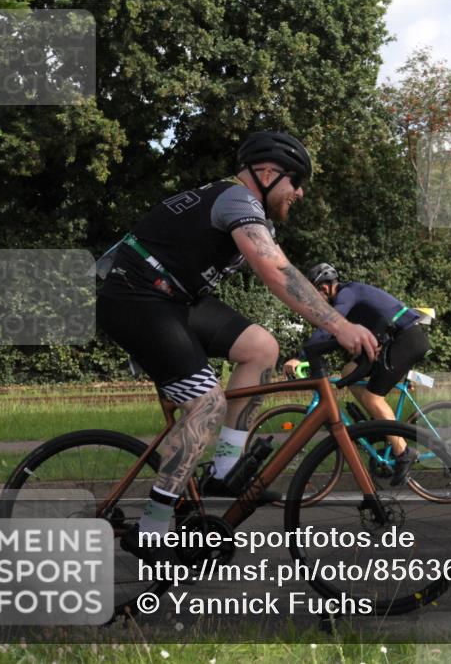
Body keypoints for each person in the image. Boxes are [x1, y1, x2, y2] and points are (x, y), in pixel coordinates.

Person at [95, 132, 378, 561]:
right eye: (295, 181)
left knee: (261, 348)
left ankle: (225, 469)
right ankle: (152, 528)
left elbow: (281, 263)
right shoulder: (237, 201)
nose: (299, 192)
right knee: (206, 404)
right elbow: (277, 271)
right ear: (266, 174)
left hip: (172, 298)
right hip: (136, 298)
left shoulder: (244, 207)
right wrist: (338, 324)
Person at [282, 264, 430, 486]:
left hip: (406, 339)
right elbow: (339, 336)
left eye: (315, 295)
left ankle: (403, 452)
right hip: (394, 340)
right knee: (348, 371)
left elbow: (329, 324)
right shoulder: (349, 297)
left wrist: (301, 356)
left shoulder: (347, 294)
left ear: (325, 287)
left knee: (373, 397)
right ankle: (378, 428)